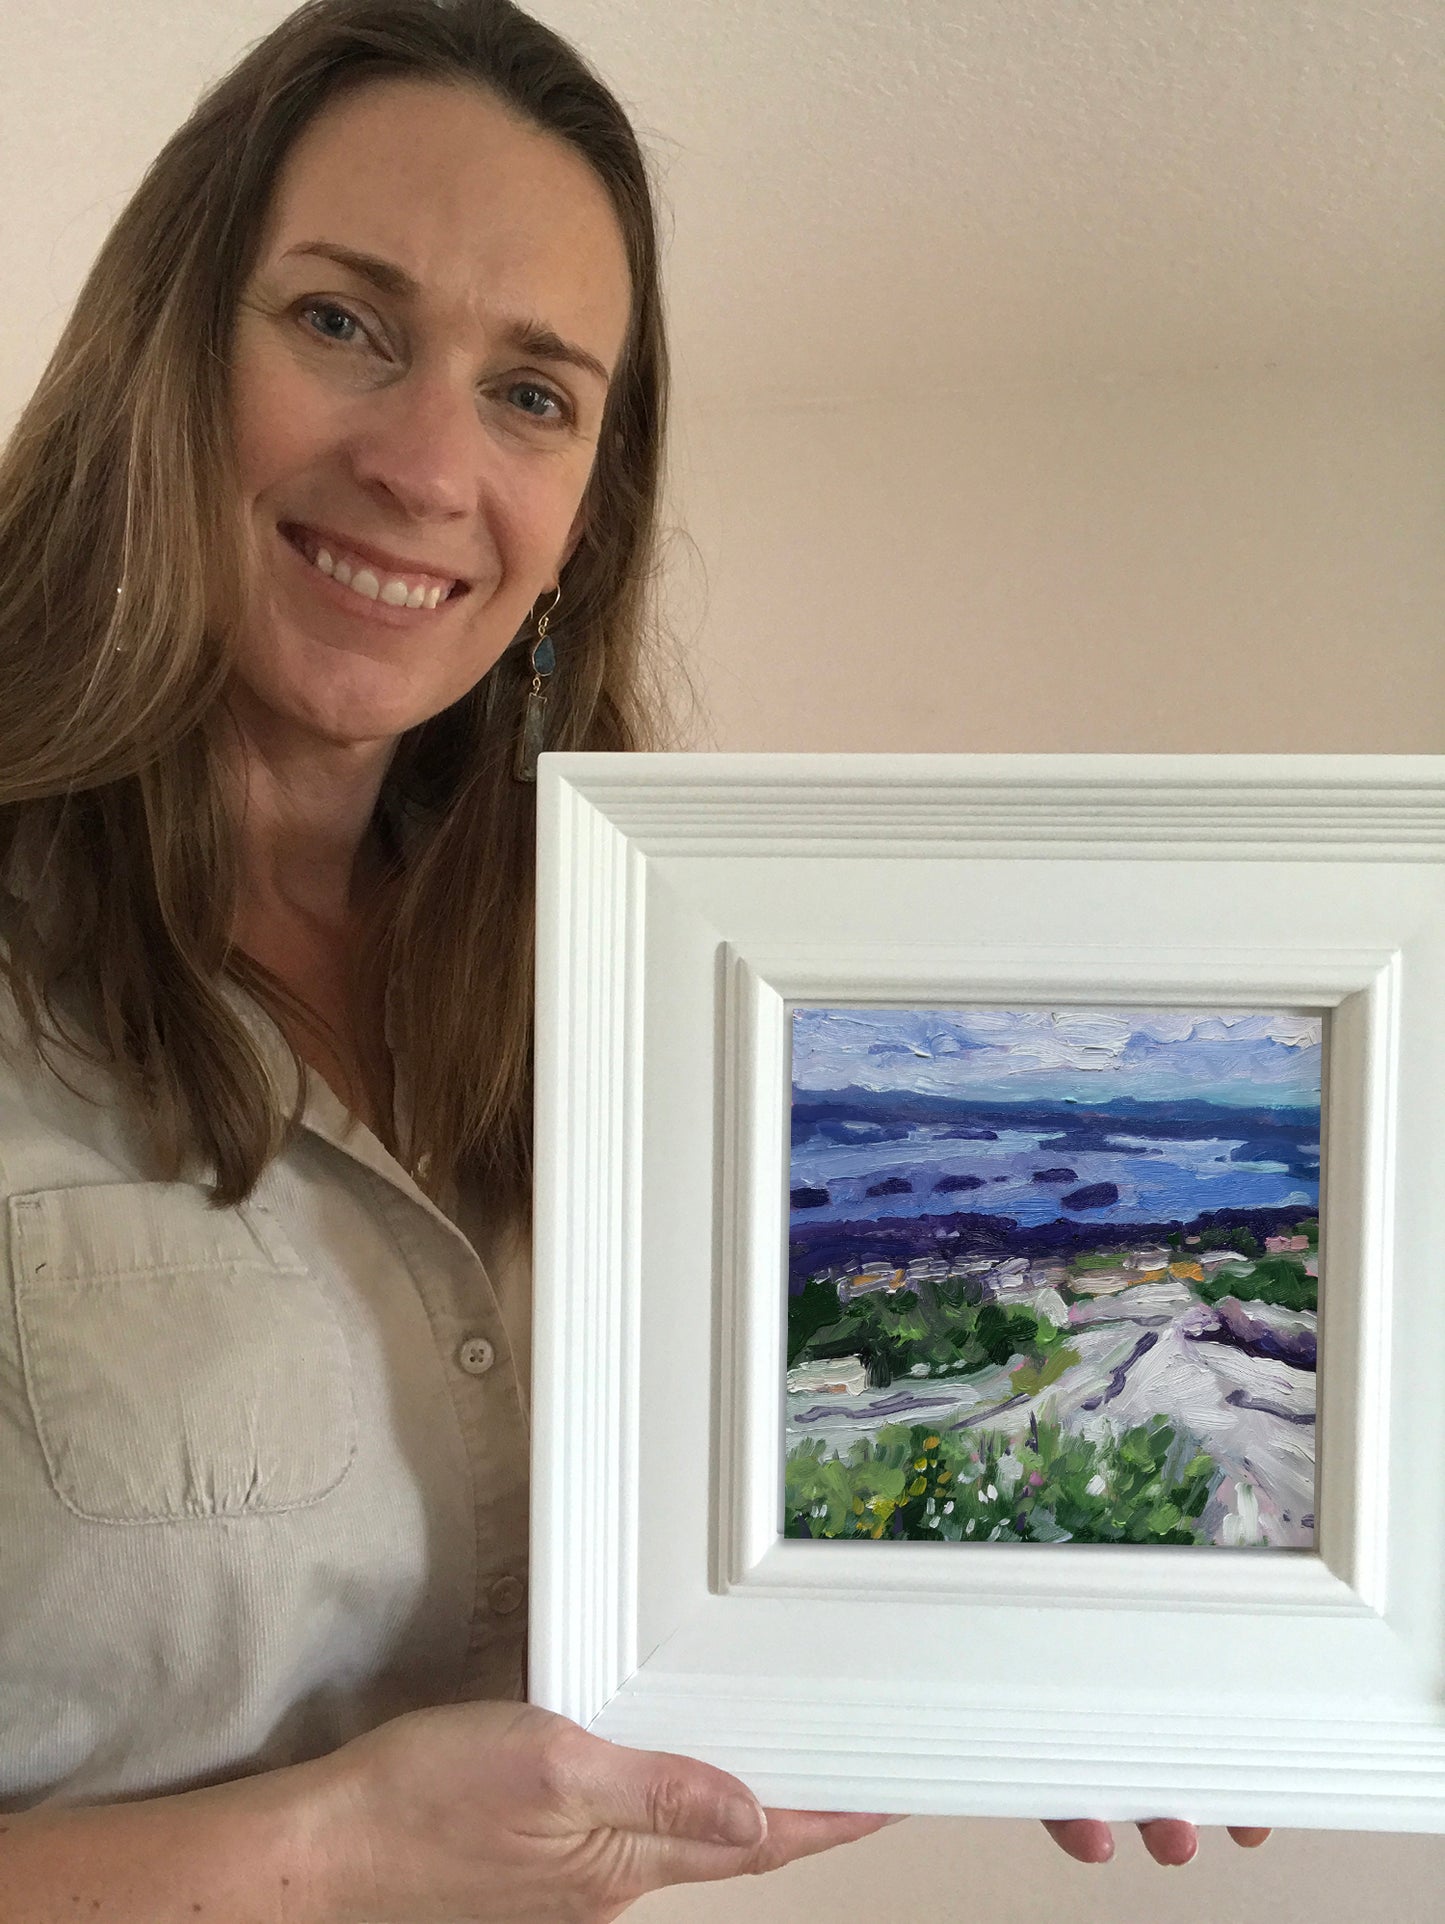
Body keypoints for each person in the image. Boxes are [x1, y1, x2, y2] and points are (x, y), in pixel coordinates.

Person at [0, 0, 1268, 1913]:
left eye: (534, 392)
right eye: (344, 321)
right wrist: (327, 1859)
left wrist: (1042, 1621)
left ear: (584, 513)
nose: (430, 468)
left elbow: (710, 1590)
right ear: (167, 352)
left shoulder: (633, 1016)